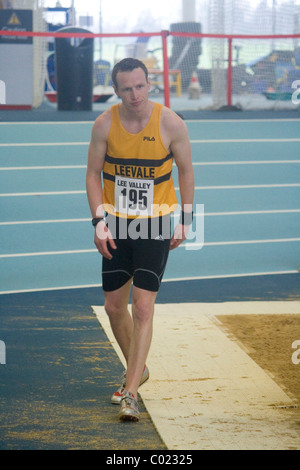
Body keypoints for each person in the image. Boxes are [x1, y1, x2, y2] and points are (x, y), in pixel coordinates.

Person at [86, 58, 194, 422]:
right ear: (116, 91)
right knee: (114, 307)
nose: (134, 94)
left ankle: (130, 392)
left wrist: (187, 219)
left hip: (155, 223)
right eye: (126, 88)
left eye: (140, 86)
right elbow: (92, 173)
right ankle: (139, 368)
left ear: (150, 84)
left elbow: (186, 169)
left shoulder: (170, 123)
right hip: (117, 223)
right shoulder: (104, 124)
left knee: (142, 307)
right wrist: (98, 221)